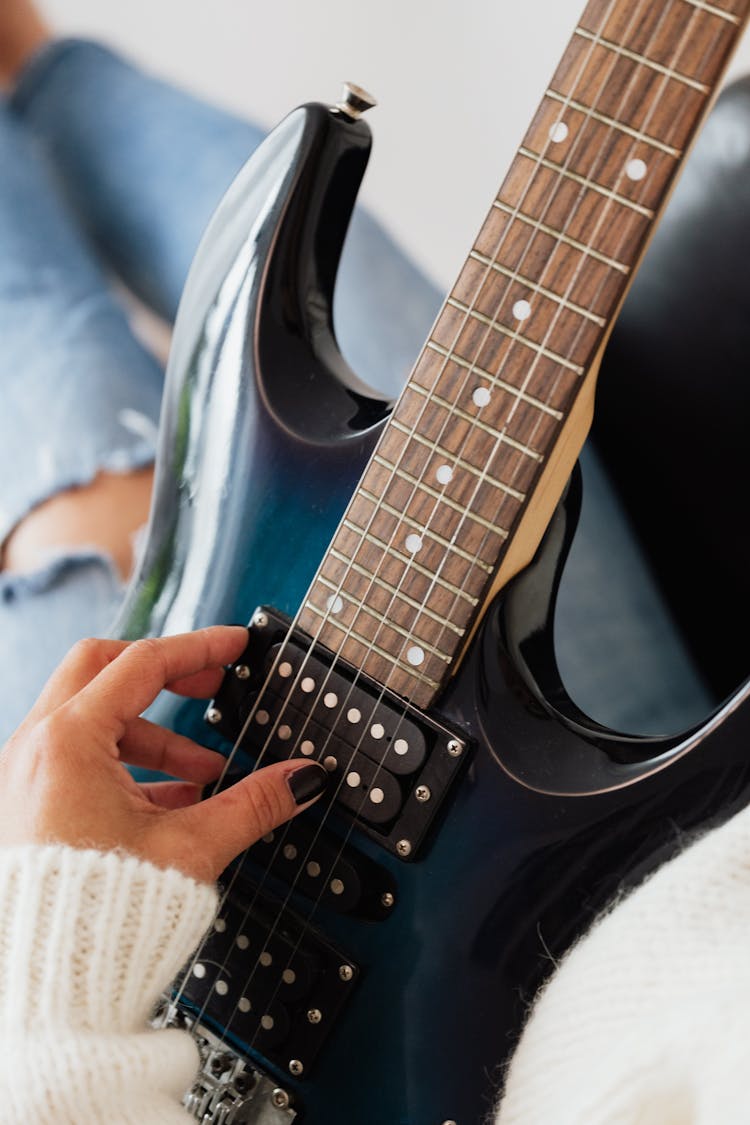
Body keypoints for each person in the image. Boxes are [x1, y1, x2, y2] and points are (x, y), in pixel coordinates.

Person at [0, 0, 735, 1121]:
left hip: (79, 999)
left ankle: (37, 83)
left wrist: (58, 961)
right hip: (610, 901)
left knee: (66, 420)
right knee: (406, 305)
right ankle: (50, 81)